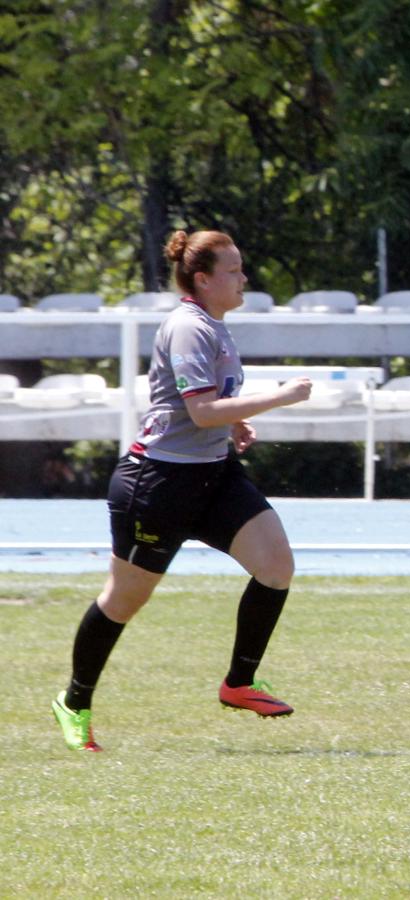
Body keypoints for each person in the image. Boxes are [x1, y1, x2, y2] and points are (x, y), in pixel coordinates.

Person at [51, 230, 313, 752]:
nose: (244, 279)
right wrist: (278, 398)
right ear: (203, 279)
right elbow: (197, 410)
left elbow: (208, 406)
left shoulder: (215, 325)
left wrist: (233, 428)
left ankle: (239, 683)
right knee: (124, 601)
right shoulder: (189, 328)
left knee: (276, 565)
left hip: (213, 475)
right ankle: (74, 702)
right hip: (158, 484)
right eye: (234, 271)